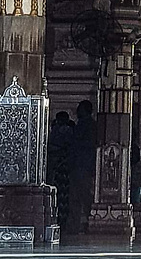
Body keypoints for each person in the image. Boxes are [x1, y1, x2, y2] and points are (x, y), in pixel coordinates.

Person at [66, 100, 97, 234]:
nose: (77, 111)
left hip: (82, 165)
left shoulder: (86, 125)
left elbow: (78, 143)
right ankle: (78, 224)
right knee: (79, 196)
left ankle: (84, 223)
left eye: (80, 109)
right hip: (82, 165)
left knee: (81, 196)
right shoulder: (88, 124)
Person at [47, 111, 75, 227]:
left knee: (60, 193)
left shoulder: (62, 131)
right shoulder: (66, 130)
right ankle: (60, 219)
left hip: (60, 165)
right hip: (62, 165)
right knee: (62, 194)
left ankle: (58, 219)